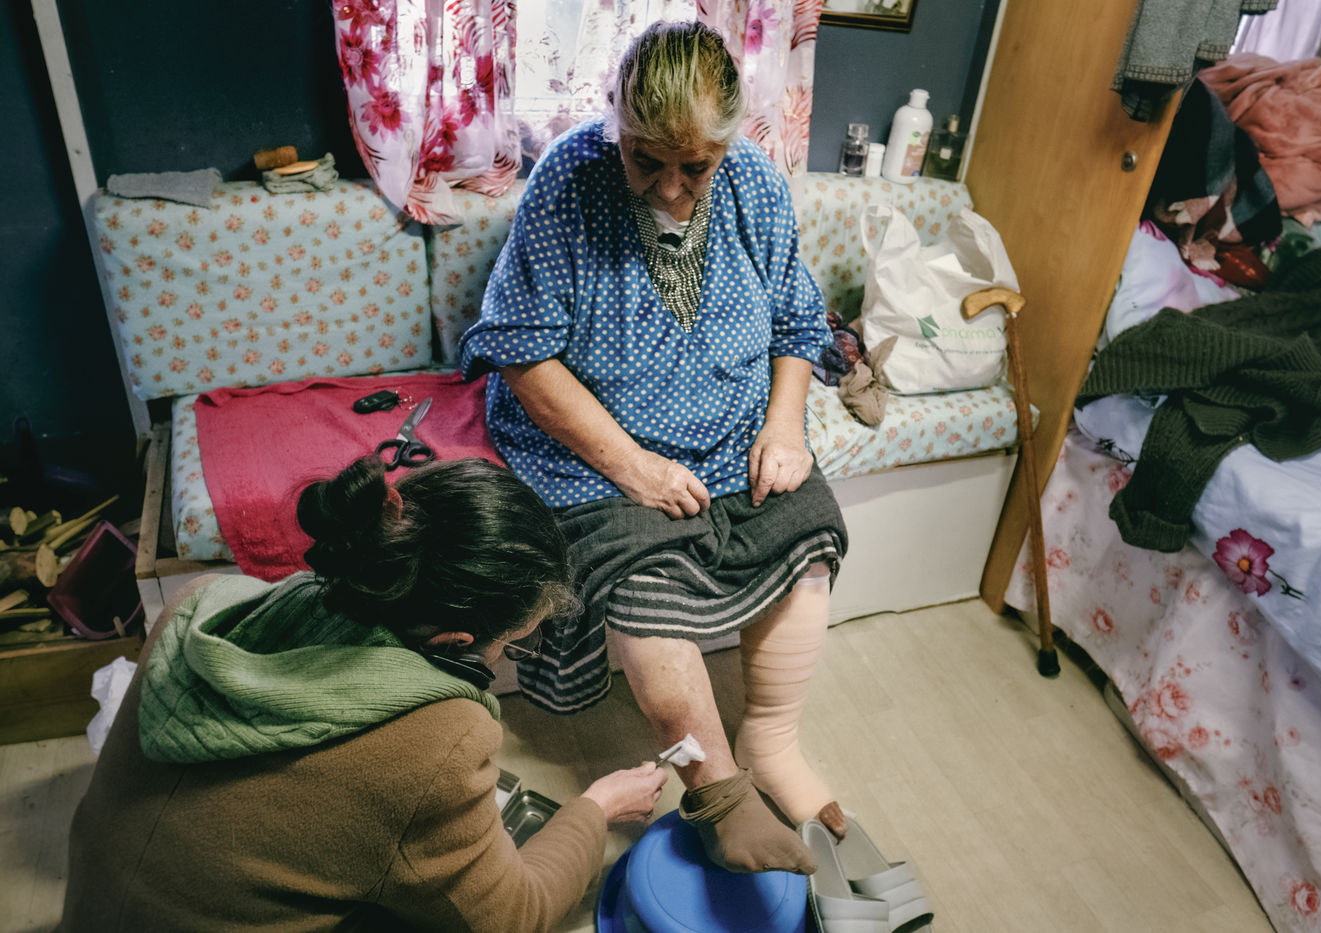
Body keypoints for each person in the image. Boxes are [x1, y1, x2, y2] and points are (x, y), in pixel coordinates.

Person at [459, 20, 848, 876]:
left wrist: (785, 426)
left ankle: (772, 739)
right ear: (616, 121)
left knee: (805, 529)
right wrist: (632, 467)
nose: (671, 189)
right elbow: (521, 352)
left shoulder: (755, 181)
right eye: (647, 160)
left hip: (732, 430)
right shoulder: (569, 180)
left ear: (727, 146)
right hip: (595, 445)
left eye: (694, 168)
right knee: (642, 579)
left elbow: (796, 322)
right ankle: (721, 794)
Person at [57, 456, 668, 933]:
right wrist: (597, 808)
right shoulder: (439, 744)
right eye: (511, 644)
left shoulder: (201, 607)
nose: (507, 652)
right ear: (453, 640)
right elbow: (513, 916)